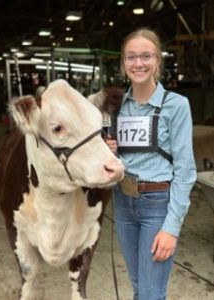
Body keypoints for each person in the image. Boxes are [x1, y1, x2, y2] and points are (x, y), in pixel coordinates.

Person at [105, 28, 197, 300]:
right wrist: (110, 151)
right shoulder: (117, 105)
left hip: (157, 204)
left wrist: (171, 227)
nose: (138, 63)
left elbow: (185, 170)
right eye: (131, 57)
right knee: (139, 288)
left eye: (146, 56)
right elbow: (117, 159)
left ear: (158, 60)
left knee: (150, 293)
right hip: (123, 203)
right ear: (123, 63)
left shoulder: (176, 105)